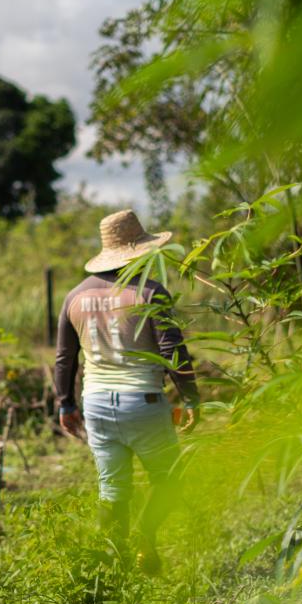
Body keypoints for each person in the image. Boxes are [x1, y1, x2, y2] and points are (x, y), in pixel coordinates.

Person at [55, 209, 200, 573]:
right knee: (170, 480)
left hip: (97, 403)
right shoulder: (151, 292)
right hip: (143, 402)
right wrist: (191, 397)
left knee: (112, 489)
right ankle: (145, 537)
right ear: (141, 251)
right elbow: (172, 351)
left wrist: (64, 404)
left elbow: (64, 358)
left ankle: (114, 567)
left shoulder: (75, 296)